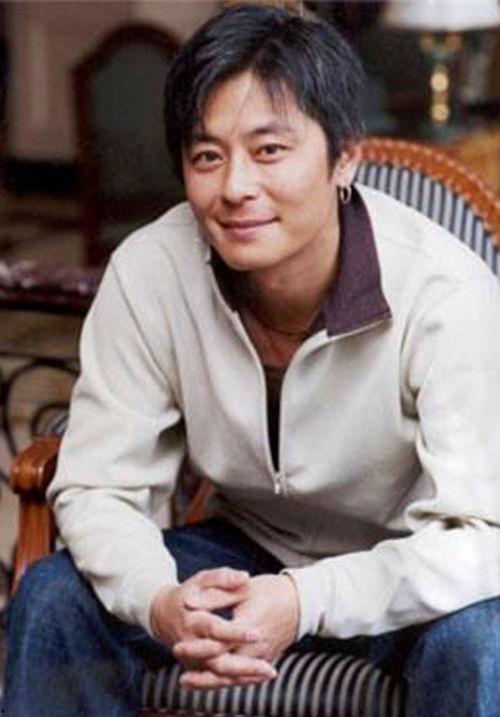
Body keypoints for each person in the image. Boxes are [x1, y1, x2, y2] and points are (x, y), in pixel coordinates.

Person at [4, 4, 500, 716]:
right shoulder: (151, 271)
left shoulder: (445, 292)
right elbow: (100, 484)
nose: (235, 187)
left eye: (269, 151)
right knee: (56, 598)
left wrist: (306, 599)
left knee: (482, 640)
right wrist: (160, 600)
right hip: (244, 549)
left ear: (345, 156)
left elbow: (483, 537)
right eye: (207, 156)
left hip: (400, 567)